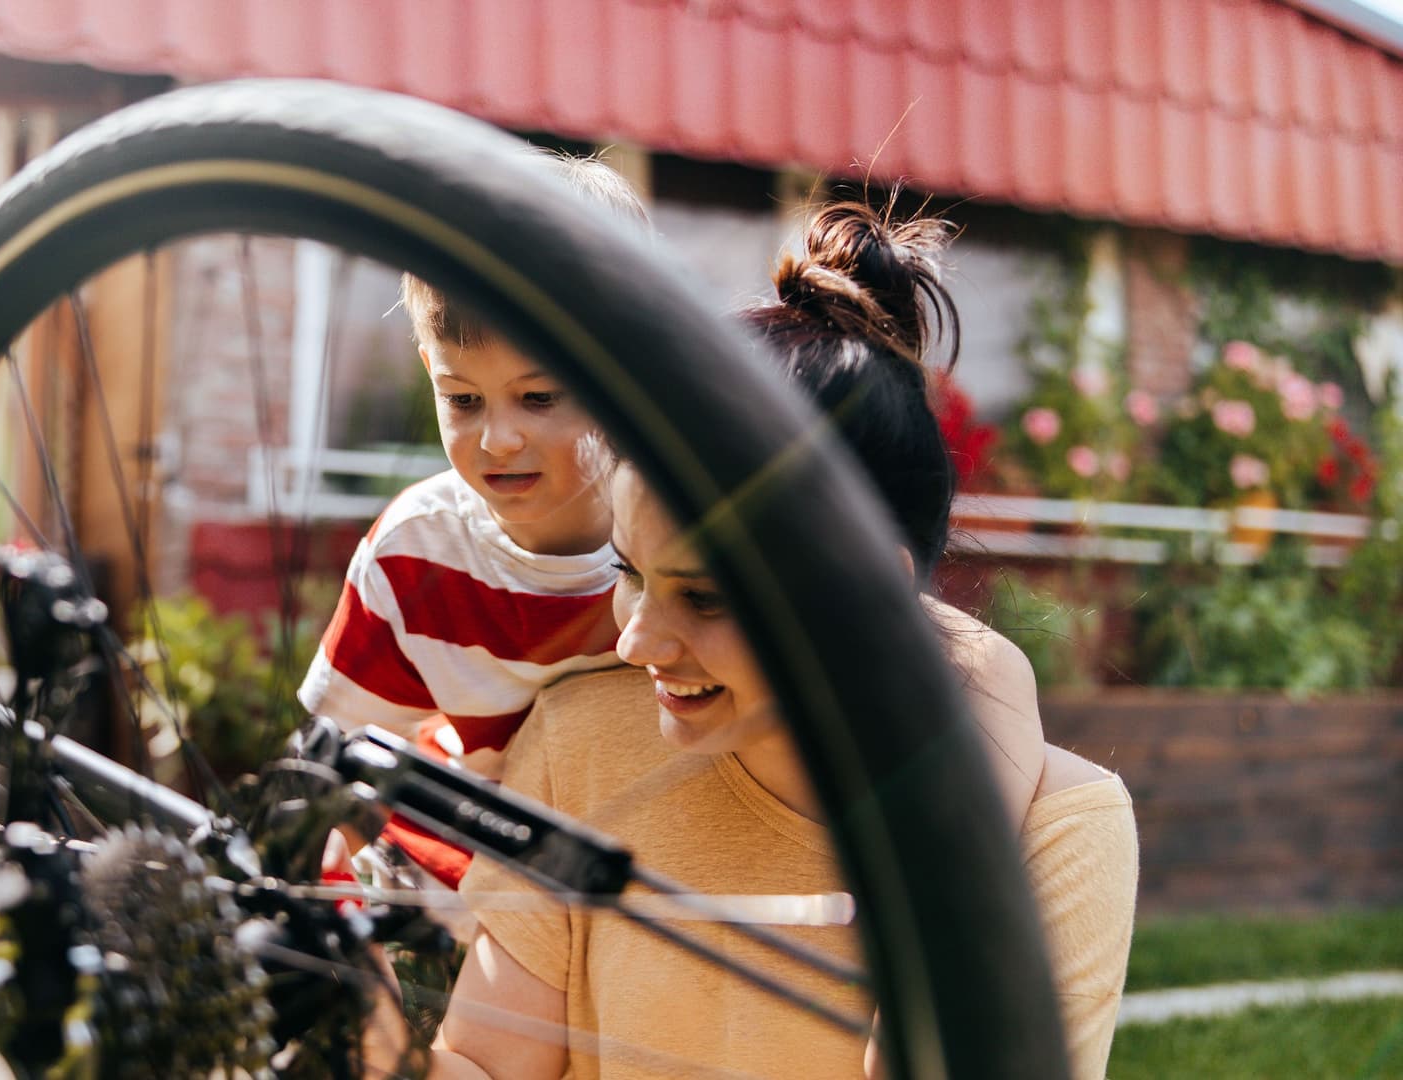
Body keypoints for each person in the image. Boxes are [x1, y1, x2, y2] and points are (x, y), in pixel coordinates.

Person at [408, 202, 1139, 1079]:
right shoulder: (581, 742)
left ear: (869, 594)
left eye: (706, 598)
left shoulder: (1062, 831)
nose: (637, 641)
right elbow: (482, 1065)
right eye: (630, 571)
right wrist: (373, 1049)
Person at [297, 154, 650, 886]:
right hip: (442, 885)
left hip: (617, 891)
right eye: (462, 399)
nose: (497, 440)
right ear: (429, 366)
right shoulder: (415, 550)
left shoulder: (669, 558)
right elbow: (332, 757)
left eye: (540, 398)